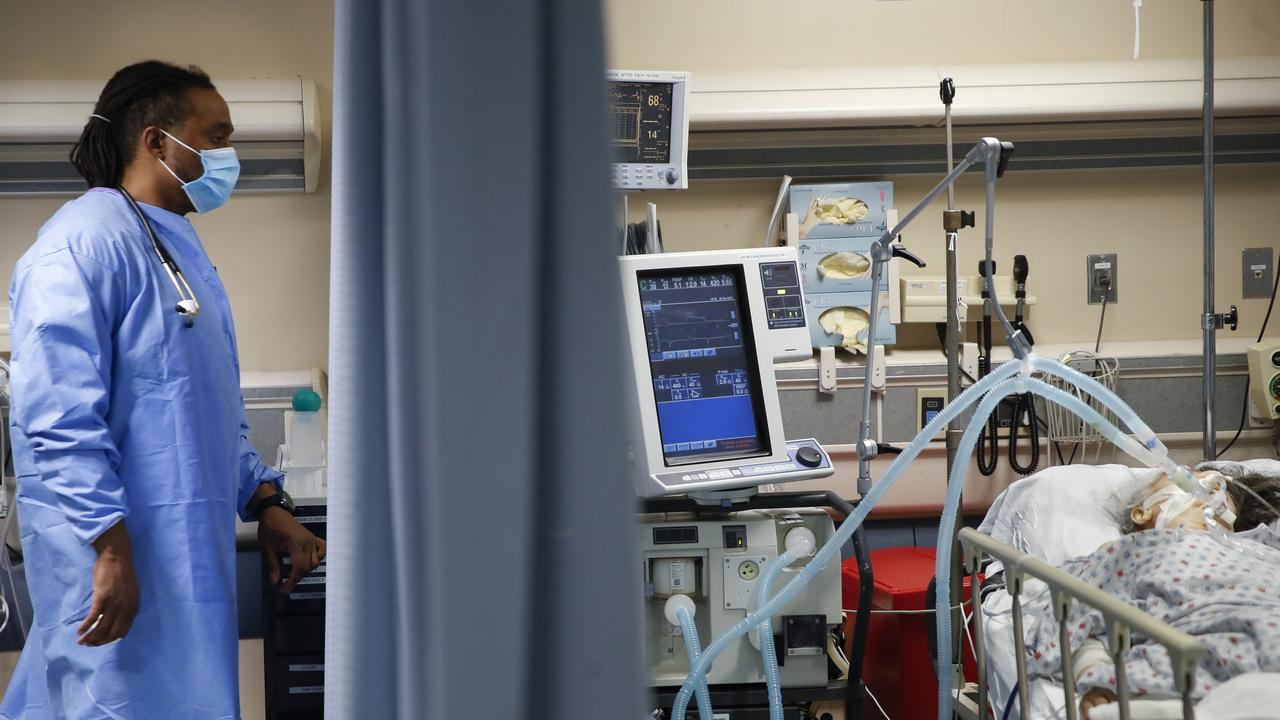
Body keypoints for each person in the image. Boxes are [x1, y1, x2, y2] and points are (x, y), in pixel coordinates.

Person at [0, 60, 326, 718]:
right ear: (155, 141)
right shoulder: (81, 247)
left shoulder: (178, 254)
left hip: (180, 571)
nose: (228, 155)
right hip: (113, 569)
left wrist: (266, 501)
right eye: (217, 136)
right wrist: (109, 546)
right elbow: (58, 419)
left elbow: (208, 409)